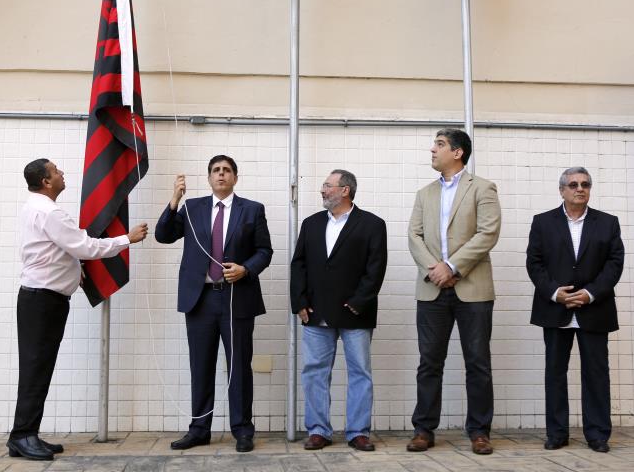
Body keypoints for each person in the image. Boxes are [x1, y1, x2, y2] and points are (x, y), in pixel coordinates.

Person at [7, 159, 148, 461]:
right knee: (35, 369)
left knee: (38, 369)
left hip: (42, 299)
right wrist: (127, 238)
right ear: (46, 182)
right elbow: (85, 247)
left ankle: (26, 434)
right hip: (42, 301)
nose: (61, 174)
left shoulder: (36, 208)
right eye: (56, 171)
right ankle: (22, 436)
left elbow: (60, 250)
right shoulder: (49, 211)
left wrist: (71, 270)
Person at [155, 155, 272, 453]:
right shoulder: (192, 208)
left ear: (235, 177)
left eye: (227, 170)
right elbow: (163, 235)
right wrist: (174, 199)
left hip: (237, 298)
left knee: (239, 368)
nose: (221, 175)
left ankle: (243, 430)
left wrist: (245, 269)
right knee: (201, 366)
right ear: (209, 178)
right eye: (216, 171)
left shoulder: (252, 210)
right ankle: (199, 430)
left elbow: (264, 251)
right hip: (200, 299)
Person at [407, 129, 501, 455]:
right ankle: (423, 429)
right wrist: (436, 269)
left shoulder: (484, 188)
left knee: (478, 363)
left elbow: (488, 233)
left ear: (458, 152)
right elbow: (413, 236)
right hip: (432, 289)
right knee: (429, 363)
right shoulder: (424, 193)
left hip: (472, 290)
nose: (432, 149)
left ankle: (479, 431)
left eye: (440, 145)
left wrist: (453, 266)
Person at [526, 167, 623, 453]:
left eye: (585, 184)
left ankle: (597, 435)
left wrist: (591, 293)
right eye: (573, 184)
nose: (579, 188)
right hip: (555, 309)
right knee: (555, 373)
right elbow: (535, 263)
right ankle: (557, 433)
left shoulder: (608, 223)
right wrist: (556, 293)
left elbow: (614, 263)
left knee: (596, 374)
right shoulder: (543, 222)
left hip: (595, 309)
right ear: (562, 190)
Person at [290, 169, 388, 452]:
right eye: (323, 186)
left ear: (345, 190)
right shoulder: (310, 224)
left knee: (360, 372)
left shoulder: (372, 224)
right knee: (315, 372)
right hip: (316, 311)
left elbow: (375, 268)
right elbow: (299, 265)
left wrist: (359, 301)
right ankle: (319, 430)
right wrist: (300, 302)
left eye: (327, 186)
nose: (323, 190)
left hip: (357, 312)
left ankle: (358, 432)